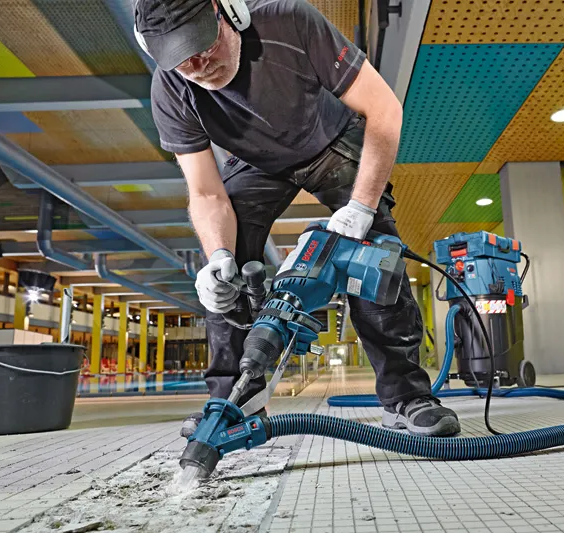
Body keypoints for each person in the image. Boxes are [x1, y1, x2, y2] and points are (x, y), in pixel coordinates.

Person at [134, 0, 460, 436]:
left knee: (374, 251)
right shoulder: (171, 90)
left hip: (331, 139)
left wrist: (363, 206)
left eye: (202, 44)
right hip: (256, 161)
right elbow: (206, 192)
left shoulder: (290, 23)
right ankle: (233, 403)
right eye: (179, 58)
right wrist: (218, 256)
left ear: (227, 11)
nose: (197, 64)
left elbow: (384, 110)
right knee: (225, 269)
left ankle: (406, 397)